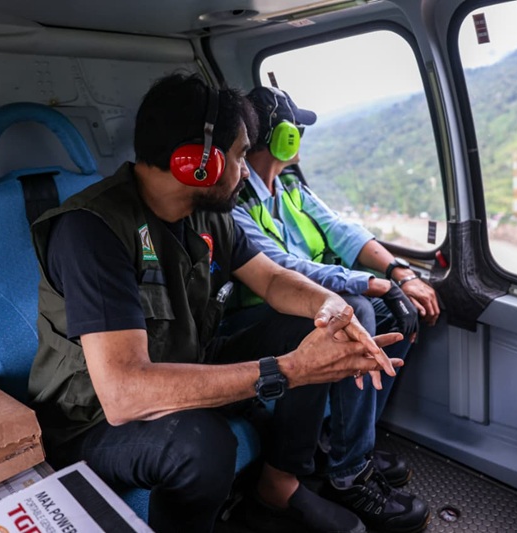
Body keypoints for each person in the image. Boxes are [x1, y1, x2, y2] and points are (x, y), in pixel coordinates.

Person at [27, 73, 403, 533]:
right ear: (195, 162)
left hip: (187, 364)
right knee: (205, 445)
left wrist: (330, 308)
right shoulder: (92, 231)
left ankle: (278, 485)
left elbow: (273, 280)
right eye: (241, 154)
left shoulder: (204, 214)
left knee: (316, 326)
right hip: (93, 420)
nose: (246, 170)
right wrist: (289, 369)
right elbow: (124, 394)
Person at [228, 85, 440, 533]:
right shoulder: (235, 203)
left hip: (312, 305)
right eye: (296, 129)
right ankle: (348, 473)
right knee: (358, 309)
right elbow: (283, 268)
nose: (301, 137)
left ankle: (346, 446)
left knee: (396, 317)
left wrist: (400, 274)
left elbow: (342, 230)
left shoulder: (288, 188)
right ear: (281, 136)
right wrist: (366, 282)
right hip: (256, 319)